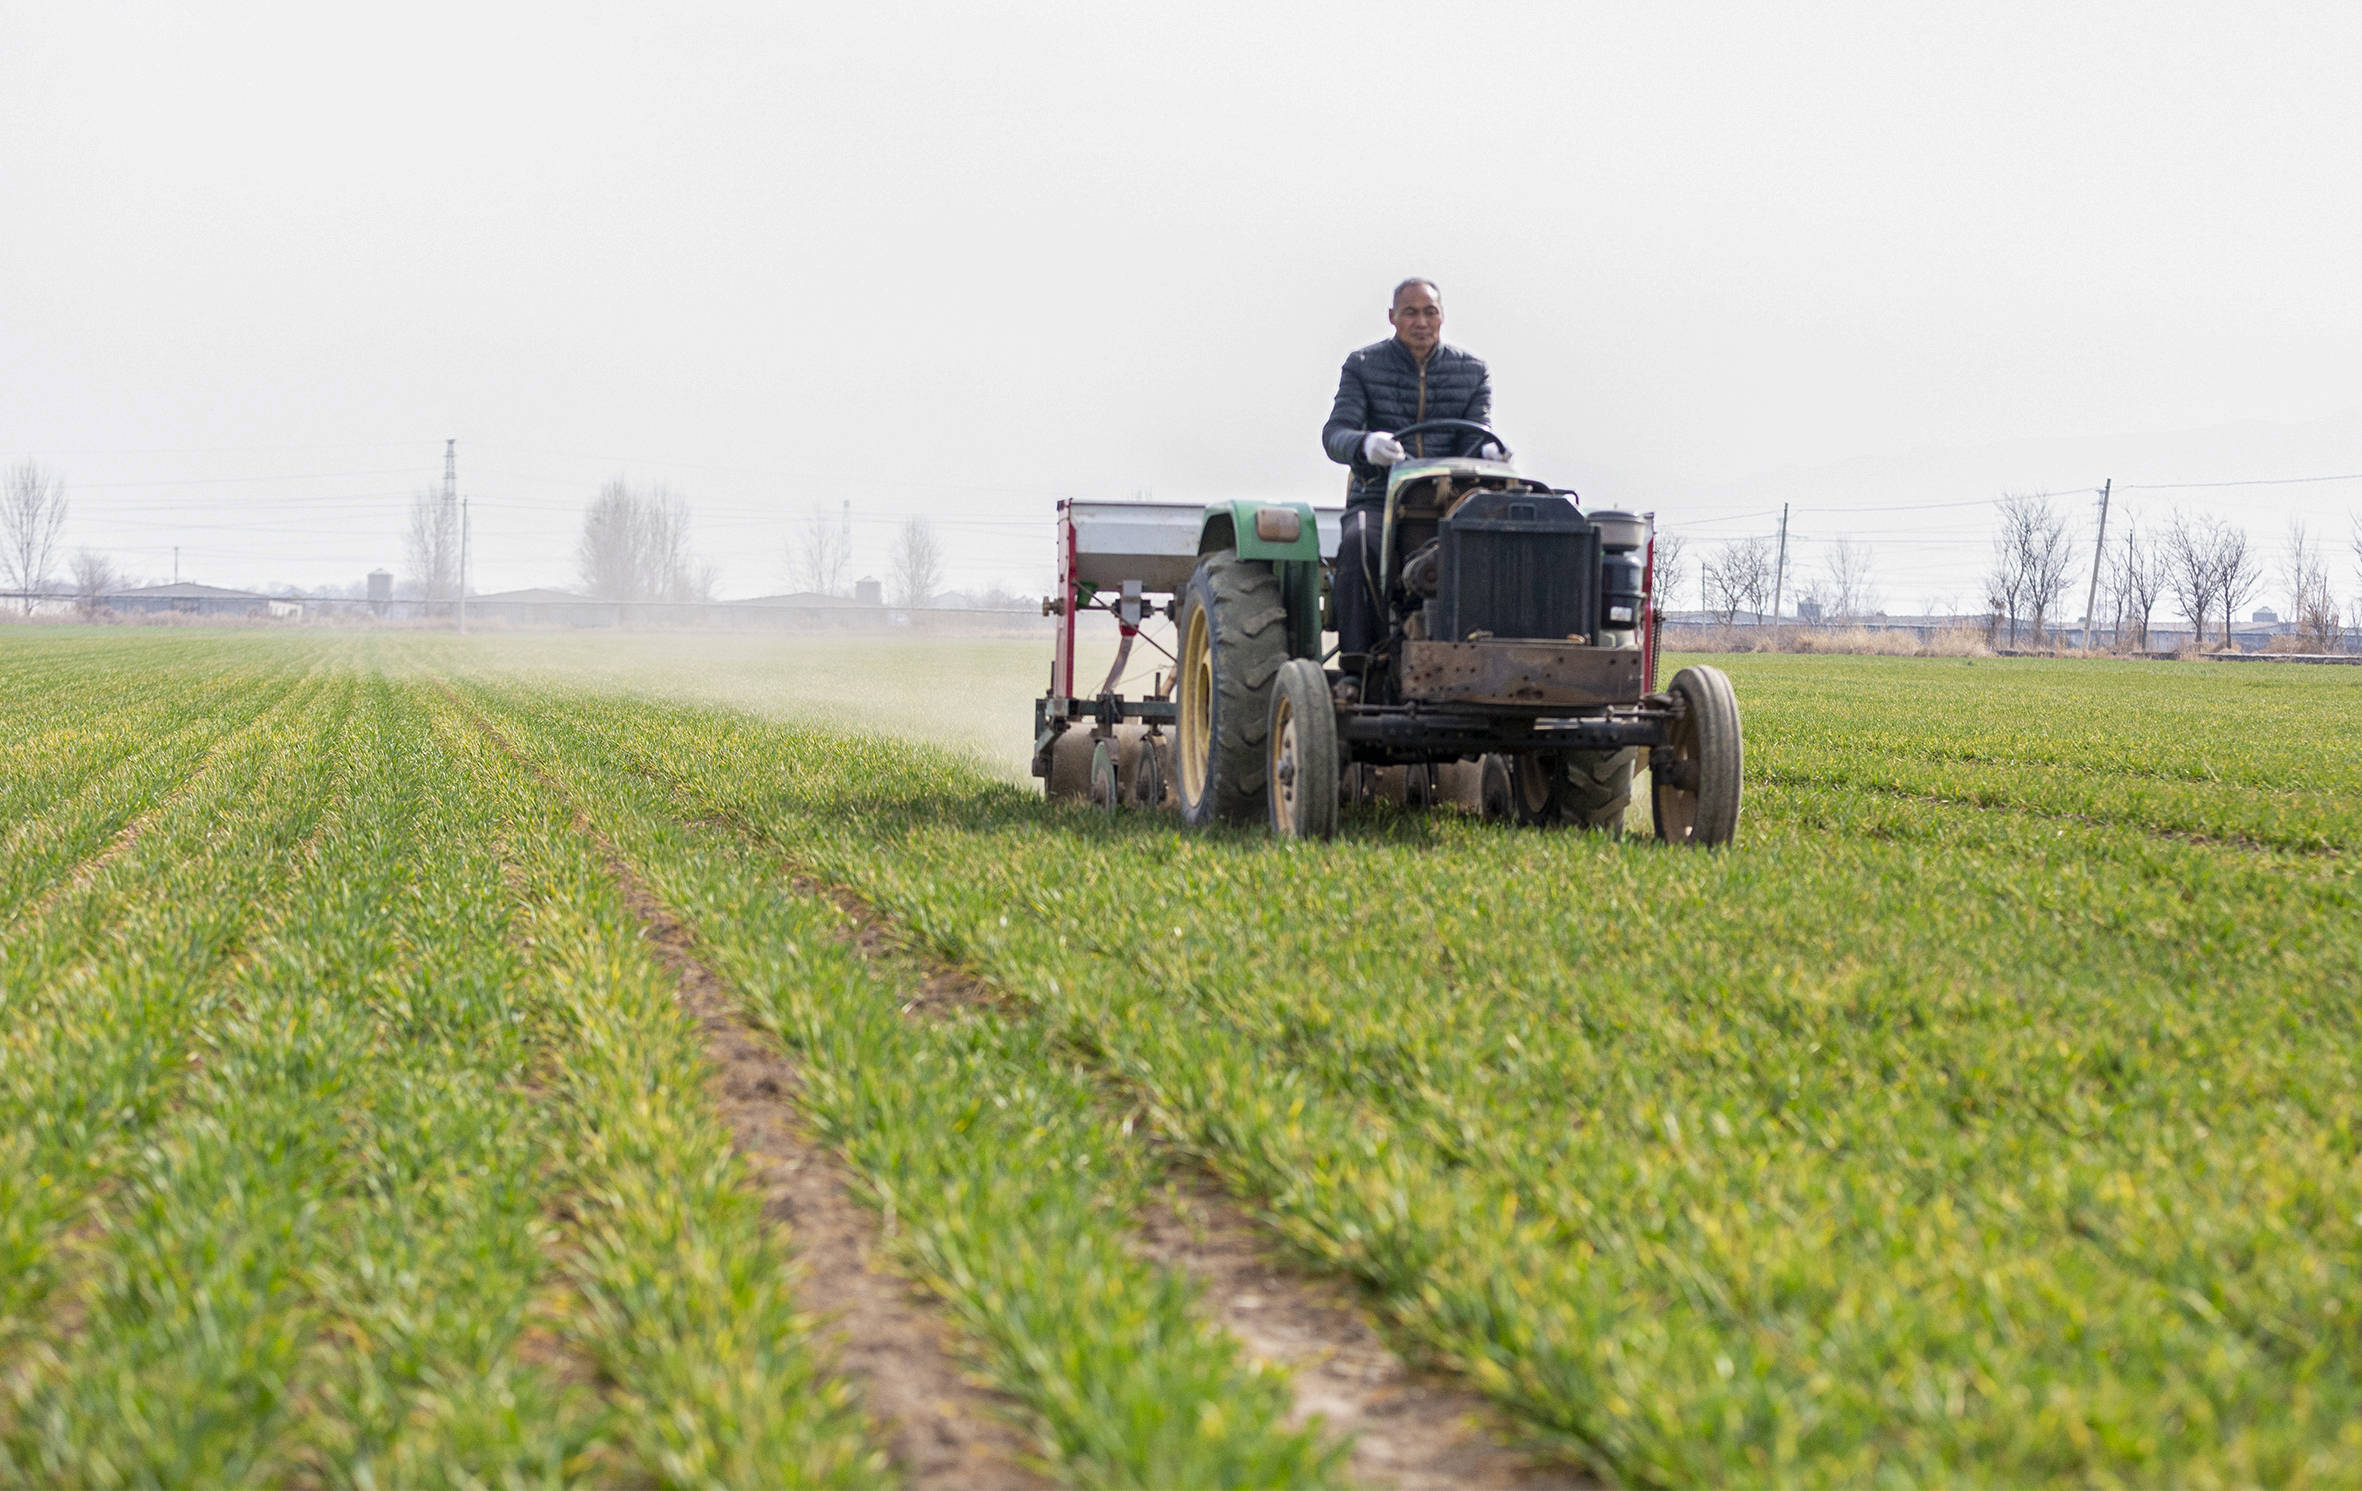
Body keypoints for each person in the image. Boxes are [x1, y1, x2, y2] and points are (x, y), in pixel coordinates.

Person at [1320, 278, 1496, 663]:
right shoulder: (1363, 366)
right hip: (1379, 496)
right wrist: (1366, 445)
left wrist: (1488, 450)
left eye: (1429, 312)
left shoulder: (1472, 372)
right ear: (1392, 318)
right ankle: (1358, 664)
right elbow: (1335, 434)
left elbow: (1475, 435)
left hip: (1449, 502)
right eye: (1410, 312)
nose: (1421, 321)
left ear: (1442, 316)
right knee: (1360, 542)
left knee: (1497, 542)